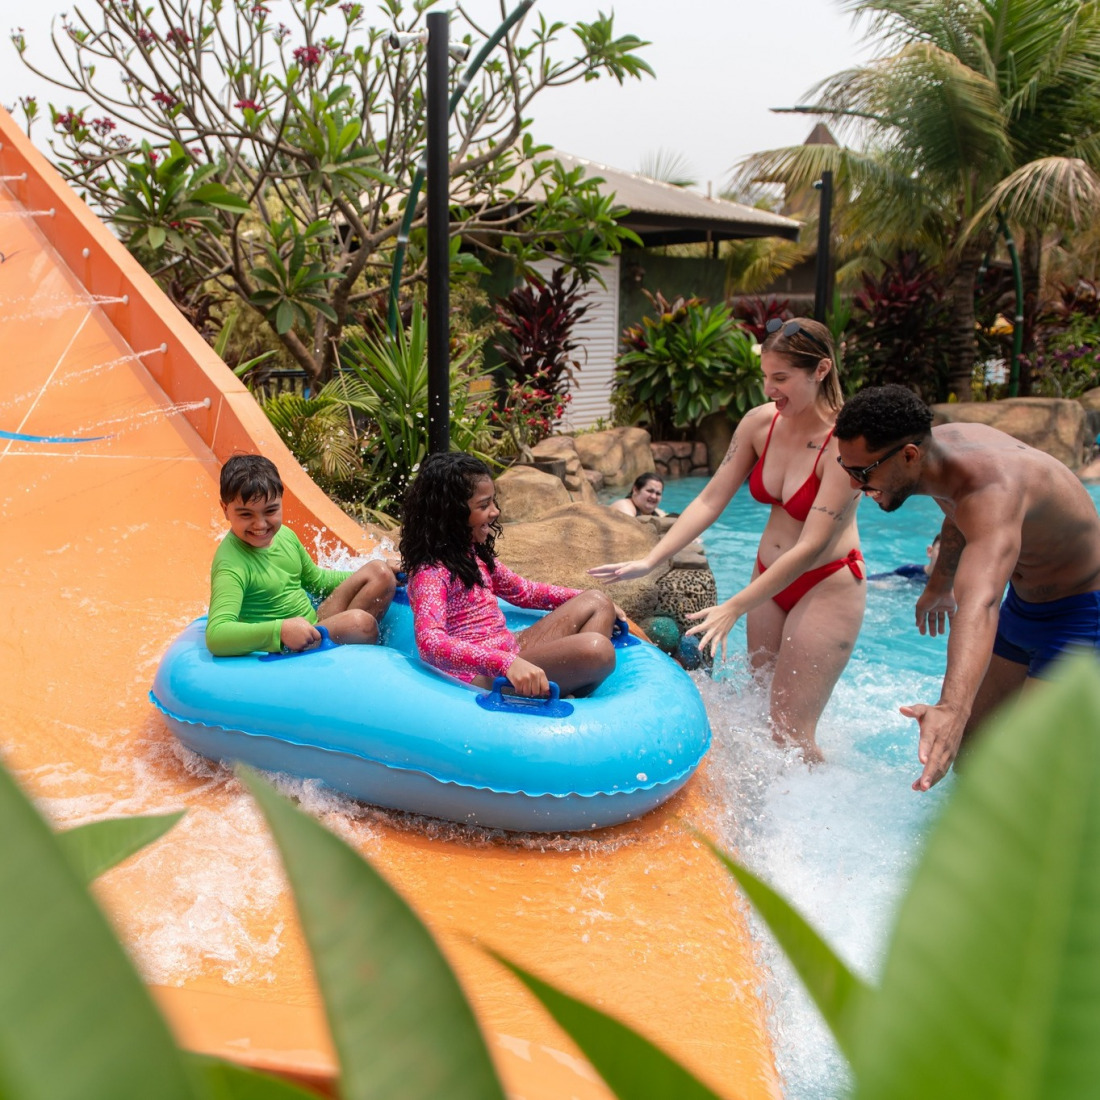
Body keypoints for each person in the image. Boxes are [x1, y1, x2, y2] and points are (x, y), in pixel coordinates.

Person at [589, 317, 865, 762]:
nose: (769, 390)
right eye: (765, 378)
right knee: (763, 716)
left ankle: (820, 819)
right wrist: (652, 558)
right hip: (767, 582)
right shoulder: (760, 423)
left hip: (825, 583)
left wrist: (734, 606)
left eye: (781, 378)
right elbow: (710, 500)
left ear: (821, 369)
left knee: (792, 732)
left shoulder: (846, 443)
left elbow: (812, 543)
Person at [834, 384, 1100, 791]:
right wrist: (940, 583)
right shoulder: (944, 457)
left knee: (1034, 773)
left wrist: (951, 709)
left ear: (908, 455)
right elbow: (958, 513)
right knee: (971, 756)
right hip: (1025, 607)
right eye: (846, 468)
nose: (855, 484)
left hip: (1082, 618)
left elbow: (982, 600)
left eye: (862, 473)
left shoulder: (994, 489)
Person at [400, 452, 617, 697]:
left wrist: (582, 595)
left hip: (510, 649)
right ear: (451, 514)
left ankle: (572, 685)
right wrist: (504, 663)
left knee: (597, 601)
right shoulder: (431, 572)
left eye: (493, 502)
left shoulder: (474, 554)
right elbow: (431, 644)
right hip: (479, 675)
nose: (494, 512)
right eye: (483, 506)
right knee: (598, 649)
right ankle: (571, 687)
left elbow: (526, 592)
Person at [206, 454, 396, 656]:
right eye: (246, 514)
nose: (260, 524)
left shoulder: (285, 536)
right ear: (225, 510)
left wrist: (365, 573)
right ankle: (350, 650)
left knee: (379, 572)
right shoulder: (231, 563)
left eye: (270, 511)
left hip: (314, 628)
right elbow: (216, 635)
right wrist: (280, 631)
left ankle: (341, 647)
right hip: (286, 649)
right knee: (360, 624)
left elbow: (318, 580)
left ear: (281, 502)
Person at [867, 534, 940, 584]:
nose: (946, 556)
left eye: (951, 552)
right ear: (930, 551)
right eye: (941, 550)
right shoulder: (910, 571)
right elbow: (870, 581)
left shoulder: (951, 586)